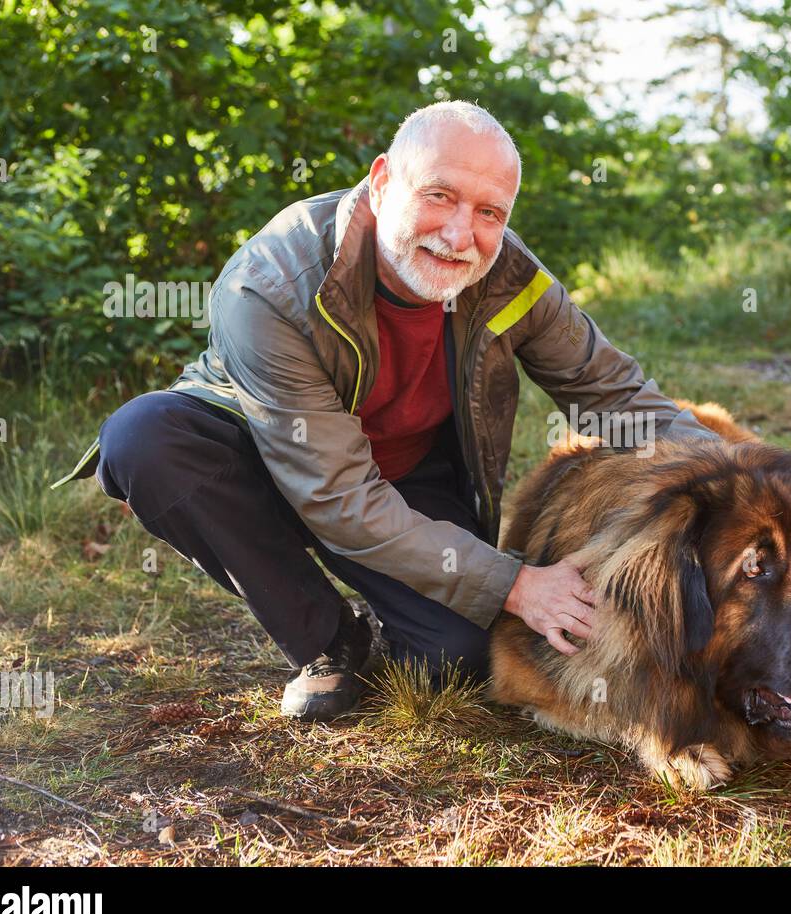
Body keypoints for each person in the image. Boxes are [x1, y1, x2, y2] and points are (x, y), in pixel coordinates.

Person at [52, 100, 720, 720]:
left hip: (406, 474)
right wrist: (516, 585)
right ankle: (326, 639)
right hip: (267, 462)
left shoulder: (512, 280)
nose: (461, 233)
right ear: (381, 182)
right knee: (142, 438)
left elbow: (618, 398)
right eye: (439, 195)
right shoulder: (271, 282)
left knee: (453, 663)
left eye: (490, 212)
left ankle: (400, 627)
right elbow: (338, 497)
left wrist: (753, 482)